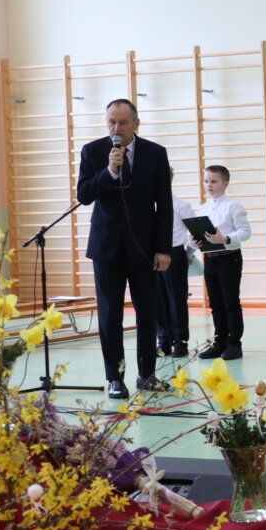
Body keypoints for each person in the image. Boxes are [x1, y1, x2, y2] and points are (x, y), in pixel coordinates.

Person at [76, 99, 173, 398]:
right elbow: (84, 195)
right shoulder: (92, 151)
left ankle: (147, 374)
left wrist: (164, 249)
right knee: (109, 316)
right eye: (111, 122)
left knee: (147, 313)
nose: (116, 128)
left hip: (144, 248)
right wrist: (109, 171)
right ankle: (115, 379)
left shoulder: (155, 153)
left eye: (122, 122)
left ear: (136, 123)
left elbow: (164, 205)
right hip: (106, 248)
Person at [193, 165, 251, 360]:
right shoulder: (203, 208)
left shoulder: (233, 206)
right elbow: (198, 234)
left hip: (229, 258)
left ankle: (234, 344)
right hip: (210, 259)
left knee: (230, 302)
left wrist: (225, 239)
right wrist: (194, 241)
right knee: (215, 303)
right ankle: (220, 343)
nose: (208, 185)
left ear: (225, 184)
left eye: (214, 181)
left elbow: (245, 232)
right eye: (206, 181)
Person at [156, 168, 195, 358]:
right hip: (151, 255)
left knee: (176, 299)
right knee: (158, 300)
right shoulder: (147, 204)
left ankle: (180, 341)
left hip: (174, 252)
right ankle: (163, 341)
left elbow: (197, 232)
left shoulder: (180, 205)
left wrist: (188, 253)